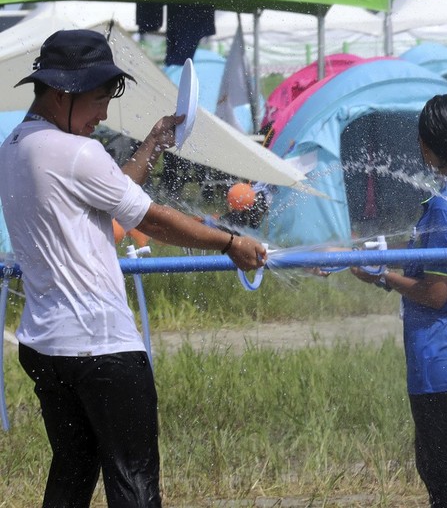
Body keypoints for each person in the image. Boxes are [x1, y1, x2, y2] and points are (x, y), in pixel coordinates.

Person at [0, 29, 267, 508]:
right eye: (100, 99)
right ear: (63, 93)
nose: (103, 114)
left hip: (46, 346)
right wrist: (230, 242)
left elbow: (107, 193)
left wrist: (152, 146)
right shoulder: (78, 153)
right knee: (134, 482)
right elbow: (151, 218)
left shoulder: (16, 147)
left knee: (72, 472)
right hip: (102, 349)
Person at [350, 93, 447, 508]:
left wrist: (381, 275)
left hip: (440, 353)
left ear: (426, 148)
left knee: (446, 481)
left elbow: (435, 292)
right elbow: (432, 259)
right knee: (444, 472)